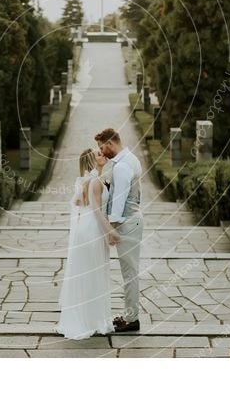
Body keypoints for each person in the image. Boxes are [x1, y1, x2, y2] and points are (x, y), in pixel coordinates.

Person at [54, 148, 120, 339]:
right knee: (95, 273)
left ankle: (85, 318)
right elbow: (98, 212)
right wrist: (111, 232)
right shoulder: (96, 182)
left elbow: (75, 203)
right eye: (99, 154)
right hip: (93, 232)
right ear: (92, 161)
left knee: (86, 274)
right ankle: (93, 320)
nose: (103, 155)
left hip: (83, 230)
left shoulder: (84, 181)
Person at [95, 127, 144, 333]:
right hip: (132, 220)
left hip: (127, 222)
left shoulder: (122, 167)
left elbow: (118, 200)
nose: (101, 152)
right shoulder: (129, 159)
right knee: (129, 272)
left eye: (102, 147)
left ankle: (132, 319)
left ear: (111, 144)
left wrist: (110, 229)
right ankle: (128, 314)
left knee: (130, 273)